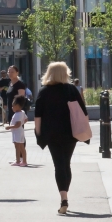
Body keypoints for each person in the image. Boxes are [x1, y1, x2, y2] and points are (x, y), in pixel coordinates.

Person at [33, 62, 85, 214]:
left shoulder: (44, 92)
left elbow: (38, 116)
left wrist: (38, 134)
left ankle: (63, 198)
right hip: (70, 132)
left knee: (58, 164)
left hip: (51, 133)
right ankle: (65, 195)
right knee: (66, 163)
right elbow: (82, 110)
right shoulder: (72, 90)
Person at [5, 97, 28, 166]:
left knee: (17, 147)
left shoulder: (17, 114)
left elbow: (17, 125)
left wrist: (9, 127)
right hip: (21, 131)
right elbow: (26, 119)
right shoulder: (22, 112)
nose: (12, 107)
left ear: (17, 106)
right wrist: (22, 123)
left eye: (13, 106)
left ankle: (18, 161)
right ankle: (24, 161)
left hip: (17, 132)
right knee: (22, 147)